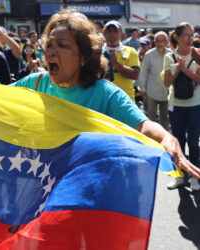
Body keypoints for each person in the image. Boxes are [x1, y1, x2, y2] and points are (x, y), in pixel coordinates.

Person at [13, 10, 200, 180]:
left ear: (84, 56)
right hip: (43, 183)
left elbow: (143, 125)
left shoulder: (105, 93)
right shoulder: (35, 83)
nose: (50, 51)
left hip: (87, 187)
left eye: (61, 45)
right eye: (49, 45)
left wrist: (168, 138)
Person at [163, 22, 200, 190]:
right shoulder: (168, 57)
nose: (190, 38)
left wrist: (184, 69)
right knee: (177, 142)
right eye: (186, 35)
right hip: (175, 105)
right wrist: (177, 70)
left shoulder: (198, 54)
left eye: (191, 34)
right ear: (177, 37)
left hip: (194, 104)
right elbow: (167, 83)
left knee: (193, 142)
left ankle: (194, 177)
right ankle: (179, 176)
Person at [139, 31, 171, 130]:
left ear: (167, 42)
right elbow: (143, 73)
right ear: (154, 42)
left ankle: (164, 141)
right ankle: (152, 141)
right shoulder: (149, 55)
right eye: (157, 41)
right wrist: (143, 90)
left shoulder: (171, 54)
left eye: (162, 41)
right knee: (151, 118)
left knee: (165, 118)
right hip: (151, 92)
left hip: (167, 92)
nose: (160, 43)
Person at [103, 21, 140, 101]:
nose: (112, 34)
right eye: (109, 31)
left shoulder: (131, 51)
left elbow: (135, 75)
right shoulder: (98, 52)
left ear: (122, 35)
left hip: (126, 100)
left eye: (115, 31)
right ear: (104, 34)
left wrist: (116, 64)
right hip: (105, 100)